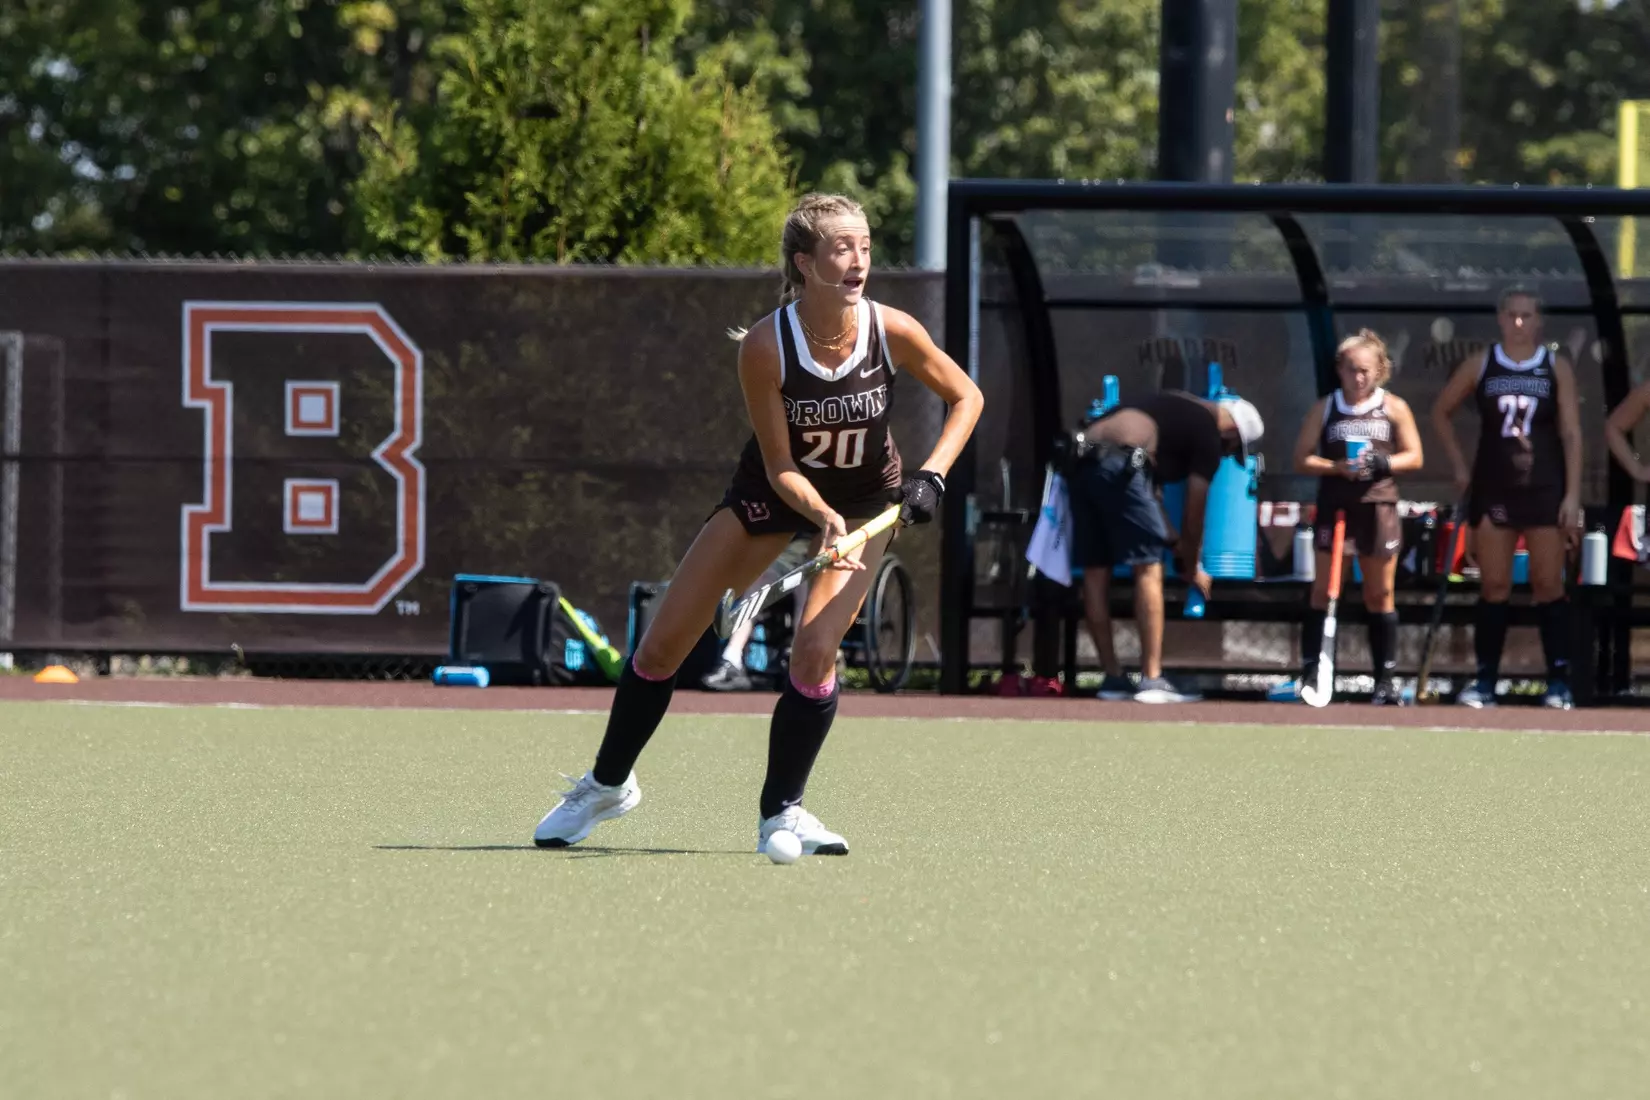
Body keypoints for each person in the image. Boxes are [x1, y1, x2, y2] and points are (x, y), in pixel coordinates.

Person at [532, 193, 984, 855]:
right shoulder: (767, 346)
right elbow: (780, 467)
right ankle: (607, 785)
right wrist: (819, 514)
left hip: (867, 505)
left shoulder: (894, 330)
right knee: (662, 648)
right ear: (804, 262)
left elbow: (966, 396)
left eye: (864, 245)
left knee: (813, 650)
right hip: (776, 496)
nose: (858, 260)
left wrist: (933, 475)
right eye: (840, 248)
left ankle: (783, 813)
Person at [1431, 287, 1583, 709]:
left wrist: (1572, 495)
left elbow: (1571, 433)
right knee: (1494, 584)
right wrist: (1460, 467)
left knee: (1547, 583)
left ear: (1539, 321)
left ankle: (1558, 682)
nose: (1518, 322)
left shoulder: (1555, 367)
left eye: (1526, 315)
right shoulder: (1483, 364)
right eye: (1512, 314)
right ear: (1500, 318)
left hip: (1544, 487)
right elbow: (1441, 410)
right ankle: (1485, 682)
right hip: (1495, 487)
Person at [1070, 387, 1265, 703]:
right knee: (1148, 567)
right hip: (1122, 464)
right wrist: (1193, 565)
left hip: (1081, 462)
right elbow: (1195, 508)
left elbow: (1150, 497)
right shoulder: (1207, 428)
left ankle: (1113, 678)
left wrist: (1176, 544)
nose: (1226, 454)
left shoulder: (1174, 409)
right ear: (1231, 430)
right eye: (1231, 448)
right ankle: (1152, 679)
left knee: (1096, 569)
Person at [1273, 330, 1424, 705]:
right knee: (1325, 589)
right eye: (1351, 370)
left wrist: (1382, 461)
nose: (1358, 379)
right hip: (1337, 506)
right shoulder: (1326, 407)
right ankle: (1313, 671)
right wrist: (1335, 467)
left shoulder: (1393, 407)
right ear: (1339, 369)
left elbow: (1415, 456)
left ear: (1380, 371)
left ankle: (1384, 680)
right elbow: (1302, 458)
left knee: (1379, 592)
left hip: (1378, 505)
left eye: (1366, 371)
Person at [699, 537, 813, 691]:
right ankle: (731, 660)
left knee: (809, 585)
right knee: (760, 578)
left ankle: (800, 663)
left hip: (815, 563)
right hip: (778, 559)